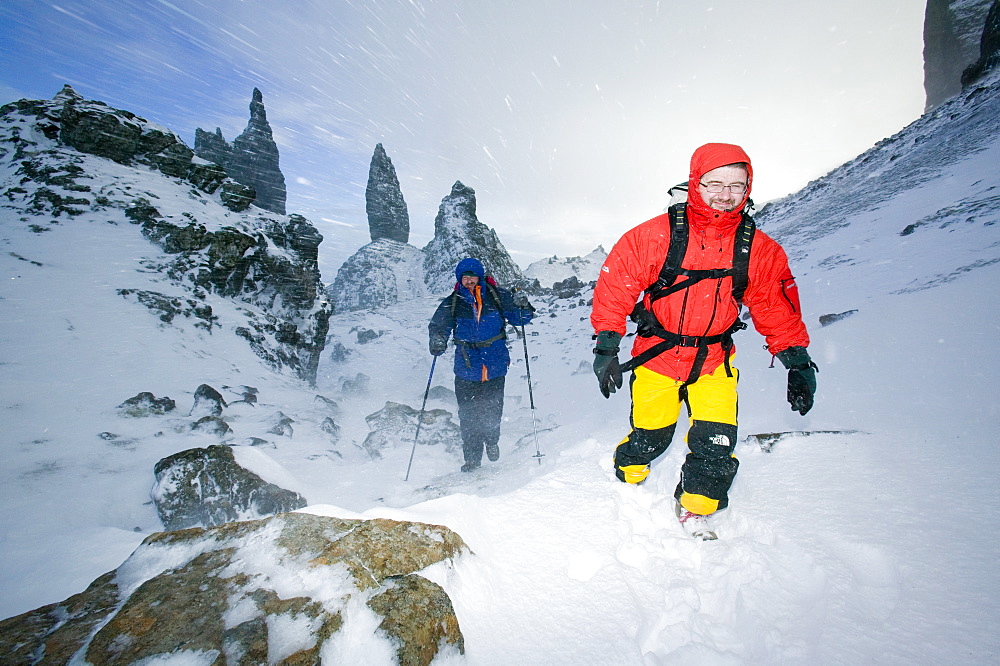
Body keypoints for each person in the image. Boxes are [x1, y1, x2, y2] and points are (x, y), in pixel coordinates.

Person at [590, 142, 817, 539]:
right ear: (696, 182)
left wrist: (797, 361)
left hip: (714, 360)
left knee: (716, 440)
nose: (725, 194)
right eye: (715, 183)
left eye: (736, 184)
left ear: (749, 187)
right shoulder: (653, 236)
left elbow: (773, 306)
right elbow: (616, 287)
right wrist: (608, 346)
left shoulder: (758, 249)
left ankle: (697, 508)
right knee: (651, 436)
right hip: (656, 358)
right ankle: (627, 472)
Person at [429, 258, 535, 472]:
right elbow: (438, 325)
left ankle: (491, 440)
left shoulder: (497, 296)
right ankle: (472, 458)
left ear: (480, 276)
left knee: (493, 410)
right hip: (466, 368)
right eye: (465, 277)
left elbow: (521, 319)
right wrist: (437, 339)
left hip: (495, 365)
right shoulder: (454, 302)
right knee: (468, 415)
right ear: (460, 279)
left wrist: (523, 304)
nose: (468, 281)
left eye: (472, 276)